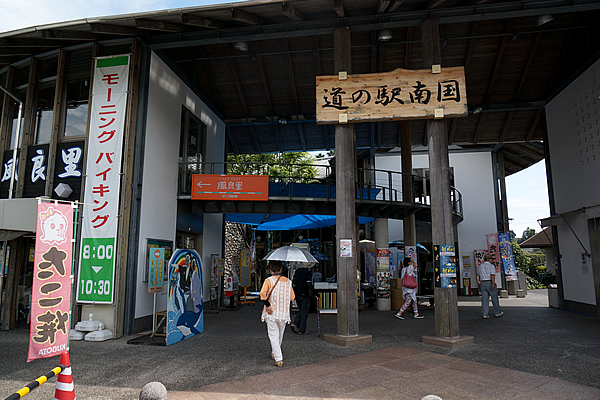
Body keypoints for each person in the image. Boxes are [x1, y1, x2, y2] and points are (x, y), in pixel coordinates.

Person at [260, 261, 295, 367]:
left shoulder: (268, 280)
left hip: (271, 311)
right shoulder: (288, 282)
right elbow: (292, 297)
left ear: (270, 270)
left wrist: (268, 304)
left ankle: (278, 358)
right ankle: (275, 352)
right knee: (280, 334)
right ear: (281, 269)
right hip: (283, 312)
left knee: (273, 334)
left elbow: (262, 294)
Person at [477, 254, 503, 319]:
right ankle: (497, 312)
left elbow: (479, 275)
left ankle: (485, 314)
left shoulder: (480, 266)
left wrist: (480, 282)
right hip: (489, 282)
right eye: (491, 259)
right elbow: (492, 275)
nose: (492, 260)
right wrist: (493, 283)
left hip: (483, 283)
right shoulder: (491, 266)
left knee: (484, 299)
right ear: (489, 259)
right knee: (494, 298)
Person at [291, 266, 314, 335]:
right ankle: (301, 329)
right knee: (304, 311)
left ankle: (296, 324)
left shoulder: (297, 271)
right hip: (304, 293)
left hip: (297, 293)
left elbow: (293, 281)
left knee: (301, 309)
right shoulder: (308, 272)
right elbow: (309, 284)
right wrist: (315, 292)